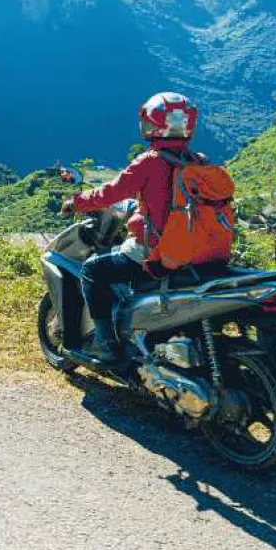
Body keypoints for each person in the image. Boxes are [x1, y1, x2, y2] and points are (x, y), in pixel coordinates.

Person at [62, 92, 207, 364]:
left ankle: (106, 345)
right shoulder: (198, 161)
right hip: (195, 251)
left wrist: (76, 202)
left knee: (93, 270)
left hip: (154, 251)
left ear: (151, 124)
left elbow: (111, 193)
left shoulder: (150, 161)